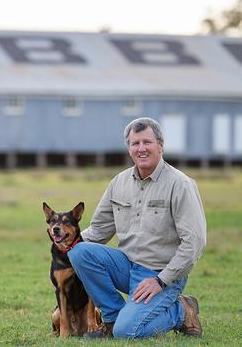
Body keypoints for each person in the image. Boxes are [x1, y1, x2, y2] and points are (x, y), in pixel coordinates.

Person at [68, 117, 206, 339]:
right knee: (79, 251)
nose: (141, 149)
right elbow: (98, 232)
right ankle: (112, 320)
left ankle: (182, 311)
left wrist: (162, 280)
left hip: (161, 273)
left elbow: (194, 243)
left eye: (147, 142)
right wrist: (63, 249)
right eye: (135, 143)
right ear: (129, 148)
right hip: (127, 266)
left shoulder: (180, 185)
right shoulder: (119, 182)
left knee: (128, 332)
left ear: (160, 146)